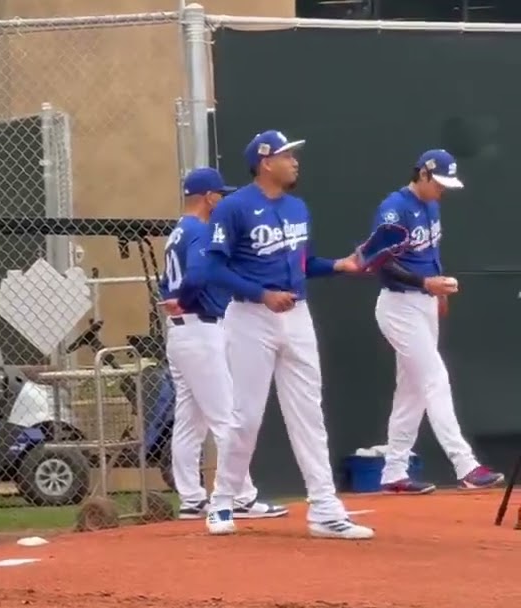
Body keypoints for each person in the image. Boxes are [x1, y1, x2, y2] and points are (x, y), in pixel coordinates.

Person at [200, 130, 372, 540]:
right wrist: (261, 293)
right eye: (286, 155)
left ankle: (325, 508)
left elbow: (303, 262)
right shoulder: (234, 208)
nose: (295, 161)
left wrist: (340, 266)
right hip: (250, 317)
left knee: (309, 413)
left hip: (297, 315)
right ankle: (223, 501)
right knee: (246, 416)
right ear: (265, 163)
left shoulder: (297, 207)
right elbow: (214, 269)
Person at [368, 150, 501, 494]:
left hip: (423, 303)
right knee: (435, 378)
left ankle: (394, 471)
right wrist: (426, 284)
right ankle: (465, 465)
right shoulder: (393, 208)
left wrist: (436, 289)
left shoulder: (432, 205)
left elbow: (430, 253)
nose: (443, 190)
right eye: (439, 183)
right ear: (423, 175)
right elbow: (380, 262)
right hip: (398, 306)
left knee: (411, 391)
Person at [159, 168, 287, 521]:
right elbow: (198, 275)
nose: (223, 199)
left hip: (180, 333)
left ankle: (191, 497)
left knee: (189, 420)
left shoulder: (178, 231)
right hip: (200, 329)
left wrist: (175, 298)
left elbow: (164, 283)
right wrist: (185, 297)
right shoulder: (201, 229)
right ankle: (242, 496)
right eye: (220, 193)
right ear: (209, 196)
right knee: (226, 416)